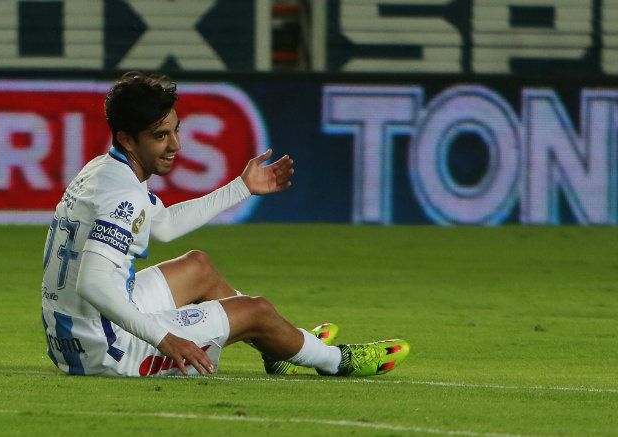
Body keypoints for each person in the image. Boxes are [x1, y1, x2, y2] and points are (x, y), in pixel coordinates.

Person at [40, 71, 409, 377]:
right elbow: (93, 282)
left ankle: (279, 349)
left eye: (175, 130)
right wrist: (164, 337)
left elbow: (163, 225)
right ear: (126, 137)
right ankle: (335, 361)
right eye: (160, 136)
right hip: (109, 352)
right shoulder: (123, 194)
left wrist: (241, 188)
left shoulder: (102, 171)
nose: (176, 145)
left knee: (198, 266)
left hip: (72, 338)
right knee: (257, 310)